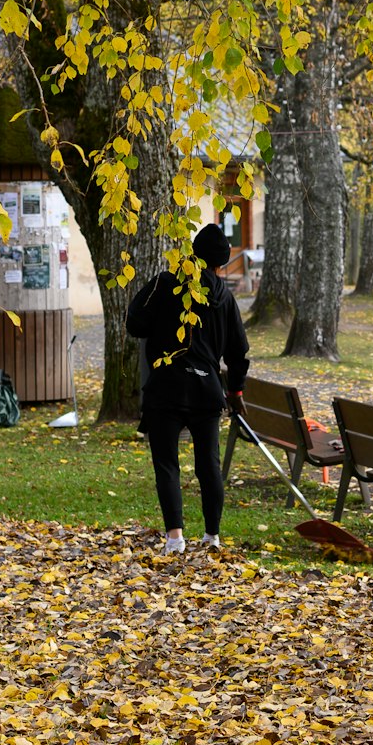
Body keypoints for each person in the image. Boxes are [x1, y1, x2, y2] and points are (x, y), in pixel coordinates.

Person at [126, 223, 250, 555]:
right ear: (221, 263)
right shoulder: (225, 299)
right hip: (207, 391)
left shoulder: (166, 284)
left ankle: (175, 538)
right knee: (208, 463)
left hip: (165, 387)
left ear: (192, 255)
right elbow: (238, 353)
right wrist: (235, 392)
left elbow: (134, 322)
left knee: (166, 463)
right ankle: (212, 536)